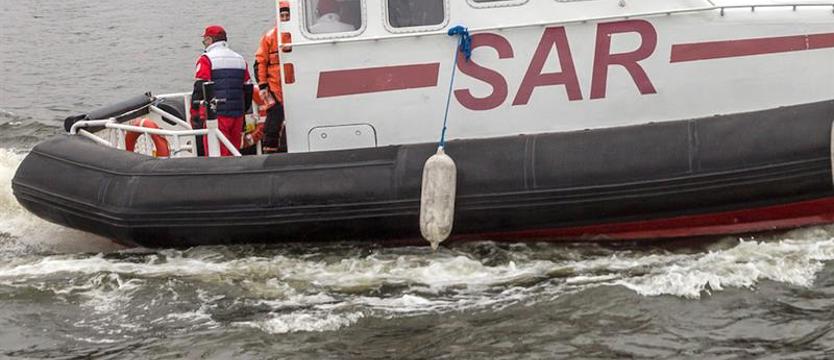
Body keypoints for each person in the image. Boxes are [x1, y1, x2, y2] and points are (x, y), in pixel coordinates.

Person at [191, 25, 252, 157]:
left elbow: (200, 86)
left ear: (209, 40)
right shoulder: (240, 59)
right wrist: (243, 110)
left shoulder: (206, 59)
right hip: (237, 114)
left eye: (205, 40)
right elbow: (248, 88)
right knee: (233, 151)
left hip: (217, 115)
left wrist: (194, 112)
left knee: (216, 152)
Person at [250, 2, 290, 153]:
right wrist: (263, 86)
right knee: (275, 114)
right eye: (282, 15)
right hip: (273, 85)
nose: (285, 18)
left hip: (291, 84)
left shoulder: (294, 36)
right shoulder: (270, 37)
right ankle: (269, 149)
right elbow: (260, 62)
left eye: (287, 15)